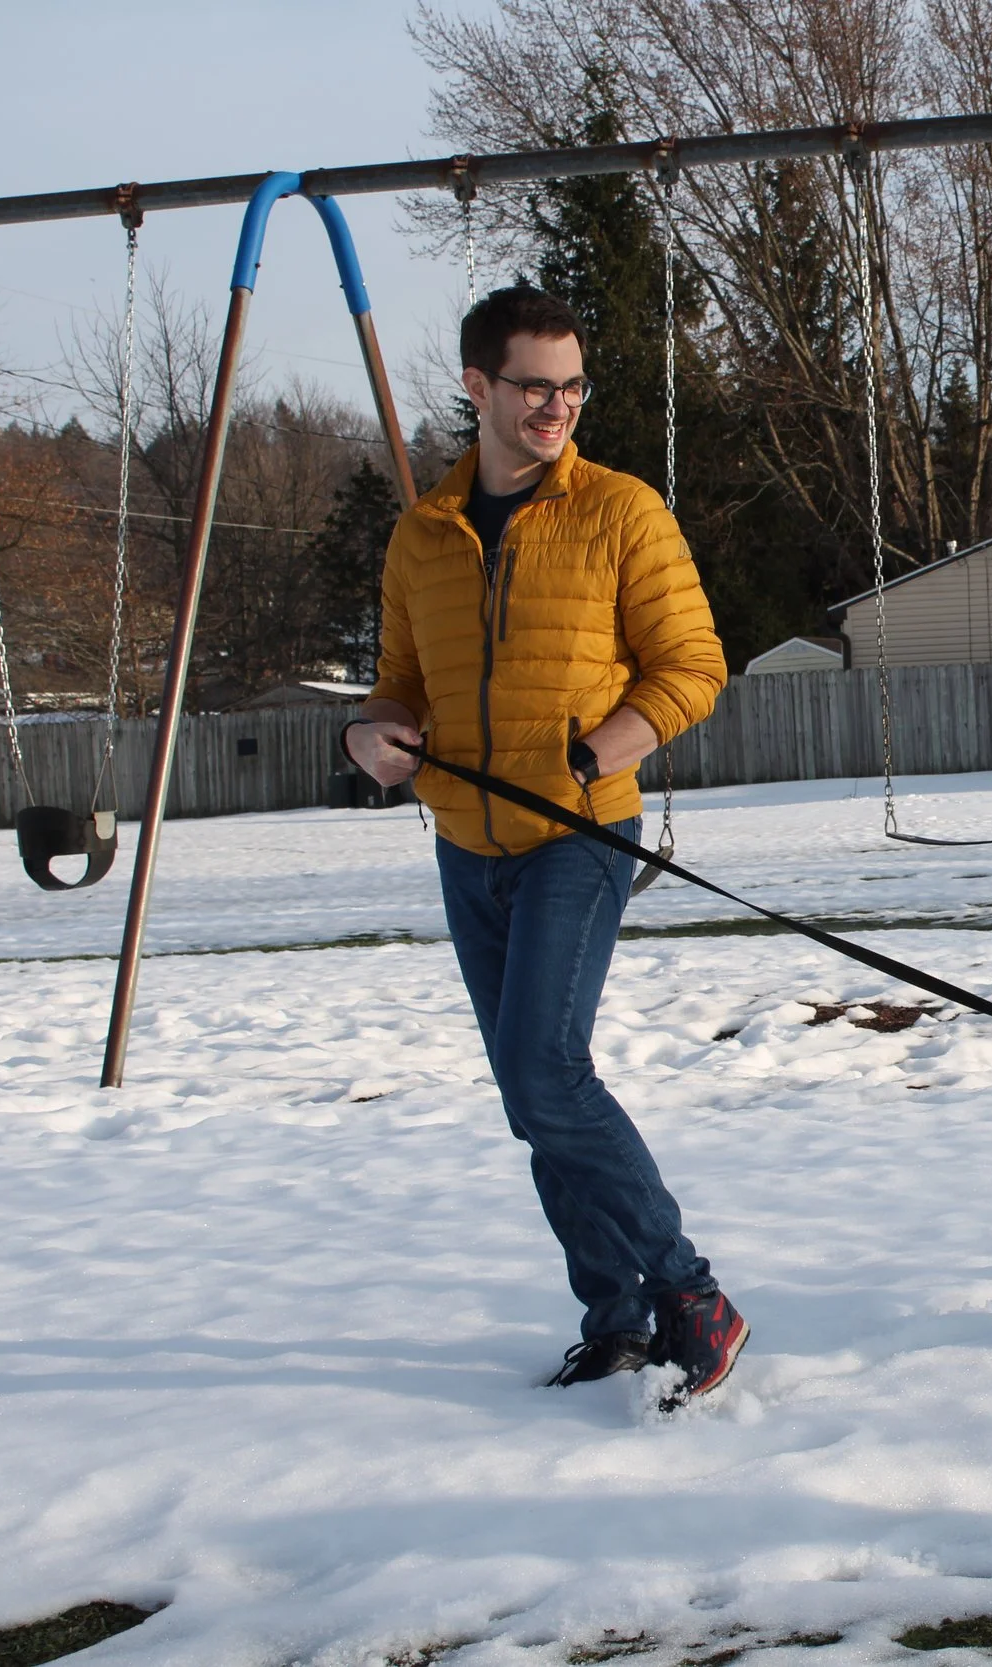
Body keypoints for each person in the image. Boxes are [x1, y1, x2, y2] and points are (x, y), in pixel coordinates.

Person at [344, 285, 744, 1408]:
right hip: (464, 840)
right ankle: (614, 1319)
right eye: (534, 385)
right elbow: (397, 686)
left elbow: (694, 664)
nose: (556, 406)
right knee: (533, 1096)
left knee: (546, 1075)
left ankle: (690, 1290)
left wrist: (599, 746)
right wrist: (368, 733)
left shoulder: (621, 510)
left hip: (578, 831)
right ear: (476, 387)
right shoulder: (422, 533)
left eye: (571, 386)